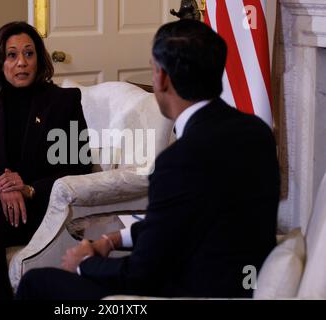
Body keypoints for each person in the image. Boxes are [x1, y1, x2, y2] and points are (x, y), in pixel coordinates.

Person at [15, 19, 281, 299]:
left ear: (162, 78)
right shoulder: (258, 133)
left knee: (37, 283)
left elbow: (141, 276)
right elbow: (185, 220)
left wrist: (86, 264)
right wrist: (114, 239)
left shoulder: (177, 161)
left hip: (185, 291)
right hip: (243, 287)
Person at [0, 21, 92, 300]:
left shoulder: (63, 101)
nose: (21, 62)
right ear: (0, 61)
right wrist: (5, 186)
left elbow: (78, 166)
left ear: (39, 58)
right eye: (12, 55)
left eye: (29, 53)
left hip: (41, 209)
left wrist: (28, 189)